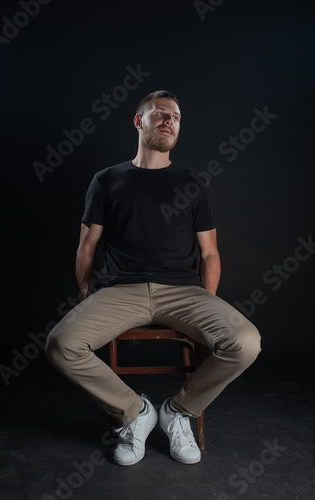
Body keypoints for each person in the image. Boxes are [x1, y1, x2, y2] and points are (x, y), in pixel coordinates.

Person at [45, 90, 261, 466]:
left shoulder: (193, 182)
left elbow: (210, 252)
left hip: (183, 292)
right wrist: (87, 294)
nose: (168, 120)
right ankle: (135, 413)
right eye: (159, 113)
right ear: (138, 121)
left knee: (246, 343)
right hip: (120, 291)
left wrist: (206, 301)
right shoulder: (107, 179)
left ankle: (178, 411)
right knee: (61, 345)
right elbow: (87, 246)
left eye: (175, 116)